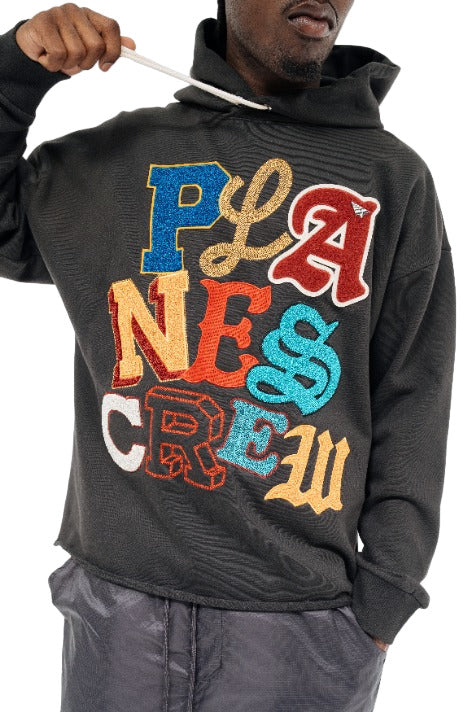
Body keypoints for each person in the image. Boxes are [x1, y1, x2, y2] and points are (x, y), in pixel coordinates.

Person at [0, 1, 456, 710]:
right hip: (115, 617)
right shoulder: (124, 157)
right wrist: (16, 72)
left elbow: (414, 394)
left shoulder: (389, 178)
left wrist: (384, 599)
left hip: (300, 632)